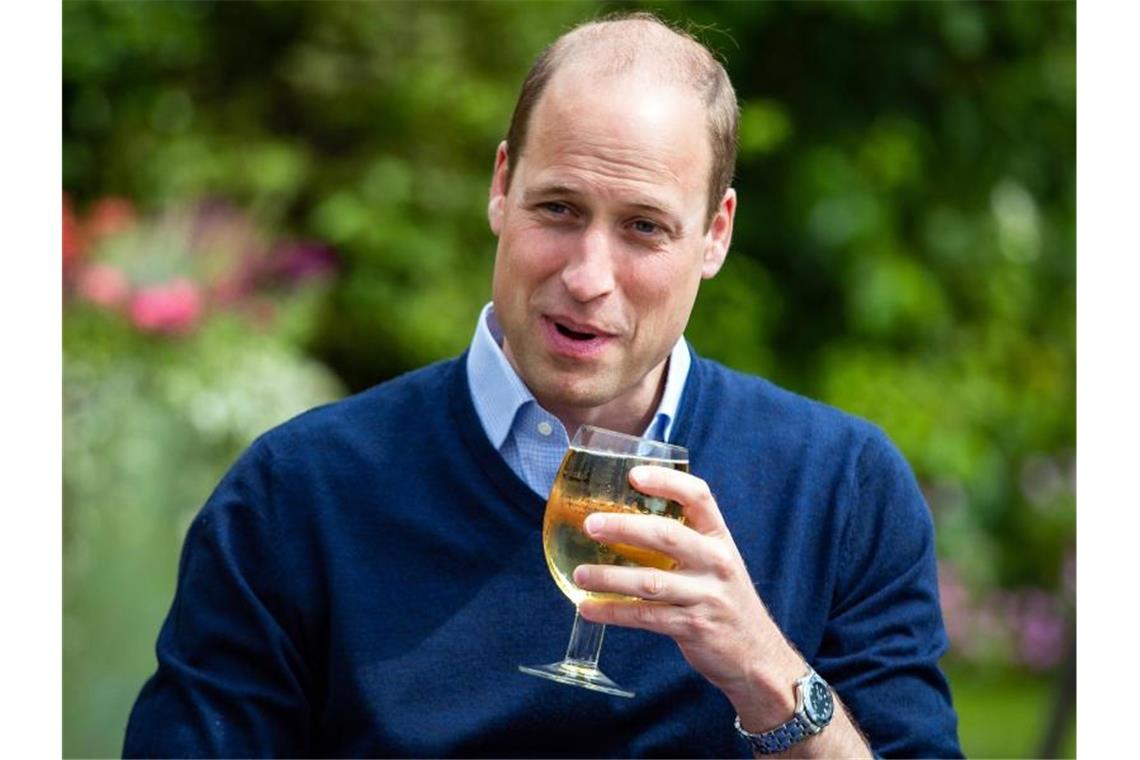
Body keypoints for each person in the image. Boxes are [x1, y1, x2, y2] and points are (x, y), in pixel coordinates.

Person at [124, 12, 961, 758]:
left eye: (644, 227)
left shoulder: (842, 489)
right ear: (500, 187)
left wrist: (766, 676)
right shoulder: (297, 496)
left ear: (714, 235)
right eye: (559, 209)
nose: (589, 276)